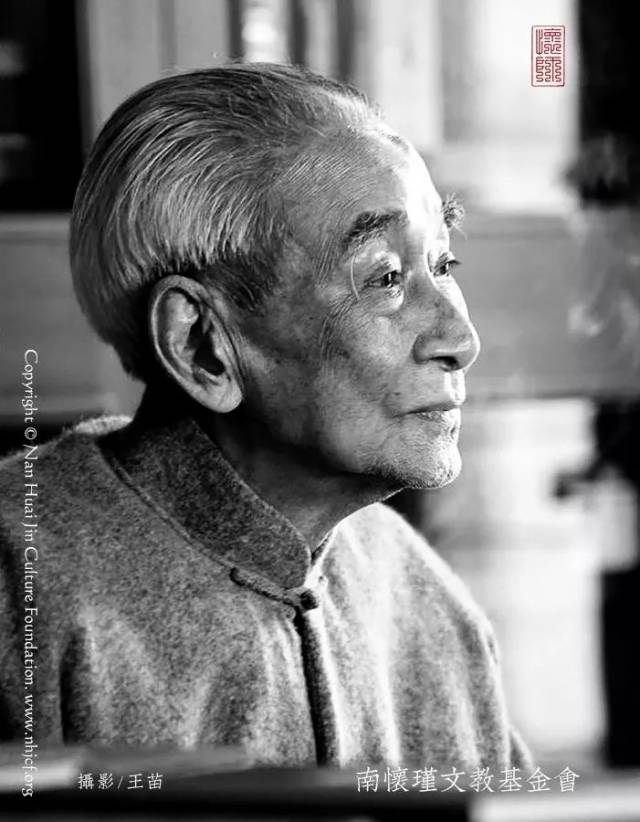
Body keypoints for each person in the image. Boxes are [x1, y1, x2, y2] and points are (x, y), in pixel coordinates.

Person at [0, 63, 529, 772]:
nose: (460, 340)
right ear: (202, 346)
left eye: (443, 263)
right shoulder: (22, 586)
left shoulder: (421, 595)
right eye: (385, 277)